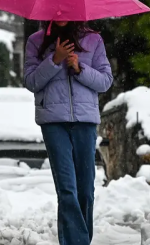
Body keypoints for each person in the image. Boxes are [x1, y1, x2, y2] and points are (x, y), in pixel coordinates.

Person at [23, 21, 113, 245]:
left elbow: (105, 81)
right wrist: (55, 59)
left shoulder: (93, 39)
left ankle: (80, 239)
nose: (61, 13)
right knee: (67, 188)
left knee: (85, 190)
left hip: (85, 121)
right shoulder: (36, 41)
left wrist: (80, 68)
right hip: (54, 122)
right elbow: (31, 81)